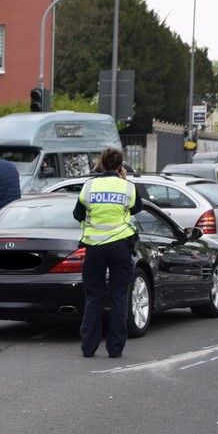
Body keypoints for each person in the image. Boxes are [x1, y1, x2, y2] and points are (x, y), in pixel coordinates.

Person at [72, 147, 143, 359]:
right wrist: (122, 180)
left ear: (101, 164)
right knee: (119, 297)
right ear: (121, 166)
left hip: (95, 247)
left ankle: (89, 347)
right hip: (120, 246)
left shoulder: (90, 185)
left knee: (94, 296)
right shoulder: (127, 187)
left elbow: (78, 214)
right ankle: (115, 349)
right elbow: (137, 208)